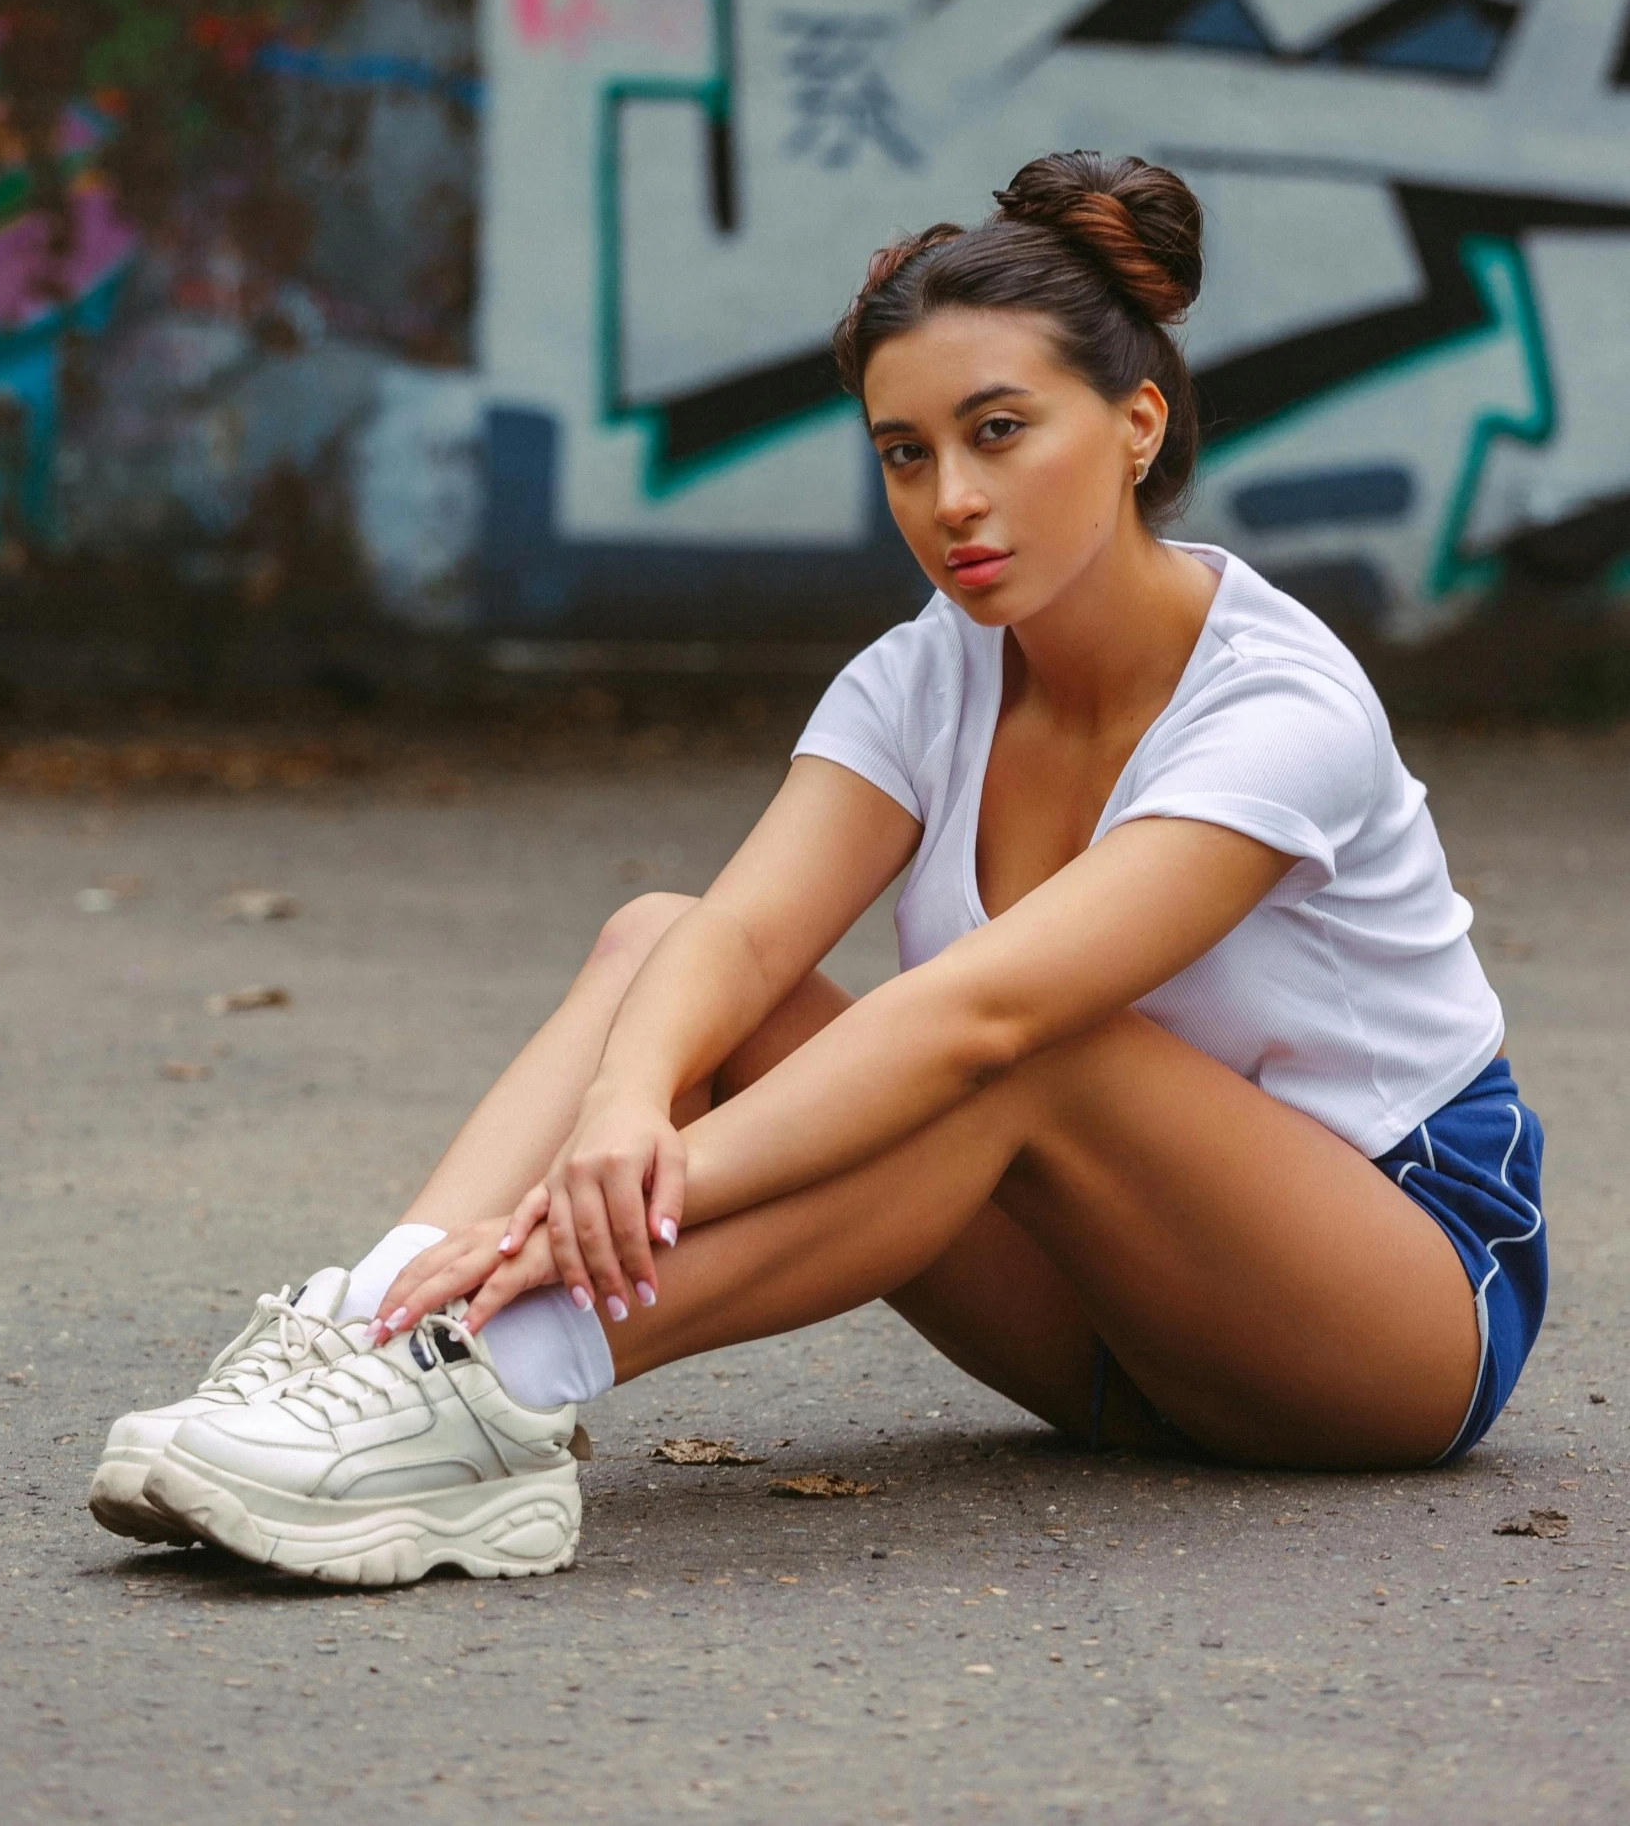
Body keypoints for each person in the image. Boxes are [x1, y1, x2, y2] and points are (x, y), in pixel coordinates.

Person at [89, 150, 1545, 1589]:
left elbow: (979, 1019)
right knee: (657, 939)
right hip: (1113, 1326)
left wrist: (605, 1198)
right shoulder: (926, 673)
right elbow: (728, 940)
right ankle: (368, 1331)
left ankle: (485, 1375)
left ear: (1134, 423)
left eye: (997, 430)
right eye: (905, 453)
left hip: (1401, 1298)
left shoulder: (1278, 706)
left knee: (1033, 1049)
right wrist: (621, 1102)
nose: (949, 498)